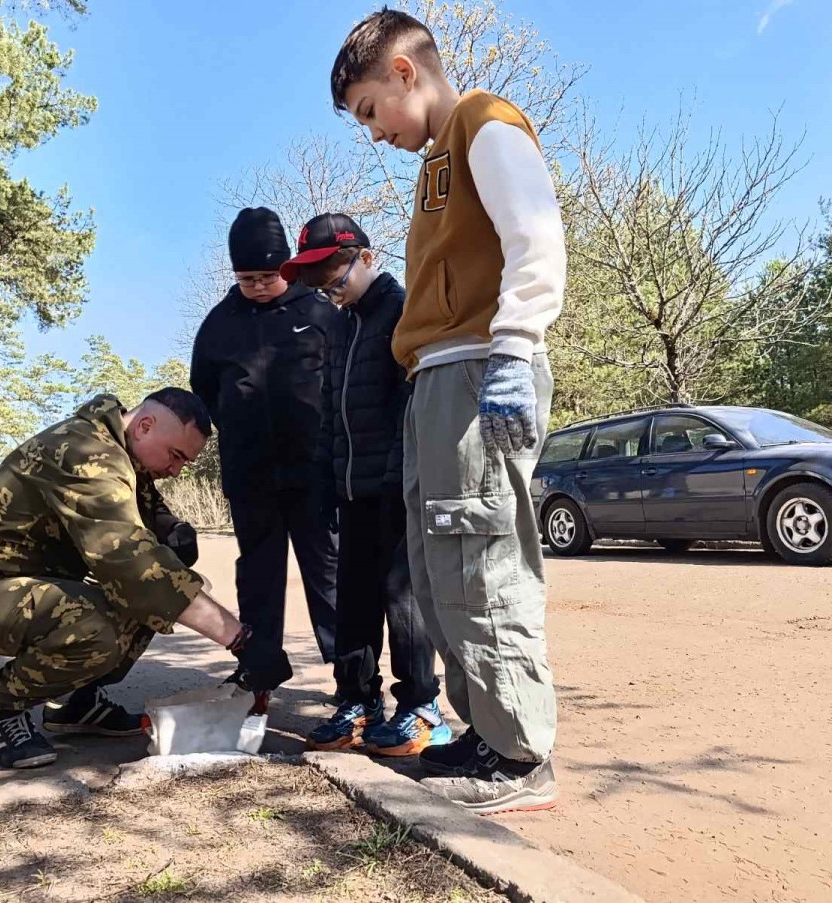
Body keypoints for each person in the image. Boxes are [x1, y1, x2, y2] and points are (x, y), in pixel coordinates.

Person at [328, 10, 566, 813]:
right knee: (438, 573)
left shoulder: (482, 123)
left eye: (368, 110)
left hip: (479, 371)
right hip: (436, 378)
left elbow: (536, 236)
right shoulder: (437, 158)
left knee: (482, 561)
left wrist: (513, 347)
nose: (371, 132)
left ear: (404, 72)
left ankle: (523, 754)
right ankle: (485, 728)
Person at [0, 389, 291, 769]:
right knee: (106, 615)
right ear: (145, 426)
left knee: (159, 594)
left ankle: (77, 703)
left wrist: (170, 529)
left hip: (29, 583)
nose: (175, 470)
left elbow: (143, 508)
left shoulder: (123, 450)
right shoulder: (85, 452)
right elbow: (131, 564)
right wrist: (241, 641)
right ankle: (2, 705)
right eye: (176, 456)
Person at [279, 212, 449, 757]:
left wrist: (400, 475)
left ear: (368, 259)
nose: (331, 293)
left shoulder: (402, 312)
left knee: (402, 599)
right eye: (321, 288)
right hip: (350, 489)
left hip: (397, 487)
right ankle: (356, 700)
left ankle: (421, 706)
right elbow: (330, 412)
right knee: (351, 600)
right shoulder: (341, 326)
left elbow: (411, 404)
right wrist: (329, 481)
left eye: (336, 280)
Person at [190, 207, 341, 706]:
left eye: (267, 276)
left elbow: (341, 383)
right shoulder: (219, 324)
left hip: (315, 472)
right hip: (250, 475)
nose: (257, 285)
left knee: (329, 574)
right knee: (257, 577)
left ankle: (353, 684)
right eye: (246, 277)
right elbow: (205, 390)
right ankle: (257, 676)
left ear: (287, 268)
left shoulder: (319, 313)